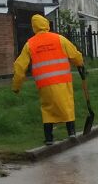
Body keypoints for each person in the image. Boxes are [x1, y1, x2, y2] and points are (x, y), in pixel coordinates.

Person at [12, 14, 85, 145]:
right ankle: (71, 132)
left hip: (44, 83)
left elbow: (19, 66)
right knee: (67, 105)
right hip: (63, 80)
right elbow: (74, 54)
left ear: (34, 27)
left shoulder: (30, 44)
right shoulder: (59, 39)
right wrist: (80, 64)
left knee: (47, 108)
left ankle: (49, 138)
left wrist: (16, 86)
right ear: (47, 24)